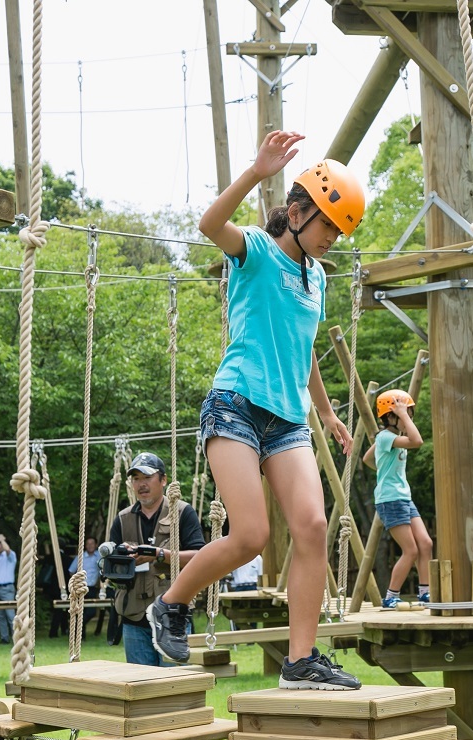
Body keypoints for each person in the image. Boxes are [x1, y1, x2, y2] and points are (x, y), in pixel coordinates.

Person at [148, 132, 364, 694]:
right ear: (295, 213)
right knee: (250, 535)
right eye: (326, 228)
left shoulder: (316, 278)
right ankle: (171, 605)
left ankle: (300, 662)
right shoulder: (256, 252)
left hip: (288, 419)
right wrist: (255, 169)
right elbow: (208, 224)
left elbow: (305, 348)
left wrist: (328, 413)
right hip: (236, 405)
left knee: (314, 526)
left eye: (339, 234)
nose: (331, 241)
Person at [108, 452, 208, 740]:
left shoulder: (183, 512)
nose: (141, 483)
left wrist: (161, 554)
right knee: (146, 698)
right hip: (135, 616)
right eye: (136, 478)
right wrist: (117, 557)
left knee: (178, 693)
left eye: (147, 477)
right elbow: (109, 566)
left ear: (163, 480)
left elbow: (203, 555)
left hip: (172, 618)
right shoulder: (123, 518)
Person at [363, 389, 433, 609]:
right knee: (410, 550)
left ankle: (425, 592)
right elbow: (417, 440)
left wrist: (382, 469)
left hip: (403, 497)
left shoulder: (389, 438)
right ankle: (391, 596)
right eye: (405, 414)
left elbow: (367, 458)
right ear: (389, 416)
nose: (409, 418)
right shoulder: (386, 437)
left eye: (410, 414)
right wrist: (402, 415)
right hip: (390, 499)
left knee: (426, 543)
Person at [0, 533, 18, 645]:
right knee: (0, 615)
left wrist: (3, 540)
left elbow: (7, 550)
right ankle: (4, 638)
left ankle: (16, 638)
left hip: (7, 588)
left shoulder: (10, 556)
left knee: (10, 614)